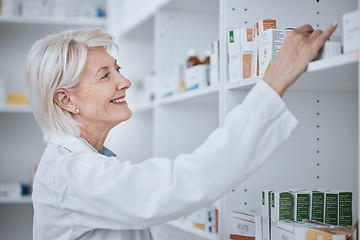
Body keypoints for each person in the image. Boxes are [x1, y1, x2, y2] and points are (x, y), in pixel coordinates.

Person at [25, 22, 337, 240]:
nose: (125, 82)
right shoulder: (72, 174)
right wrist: (276, 80)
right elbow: (185, 181)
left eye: (117, 69)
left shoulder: (87, 160)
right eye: (105, 75)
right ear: (66, 100)